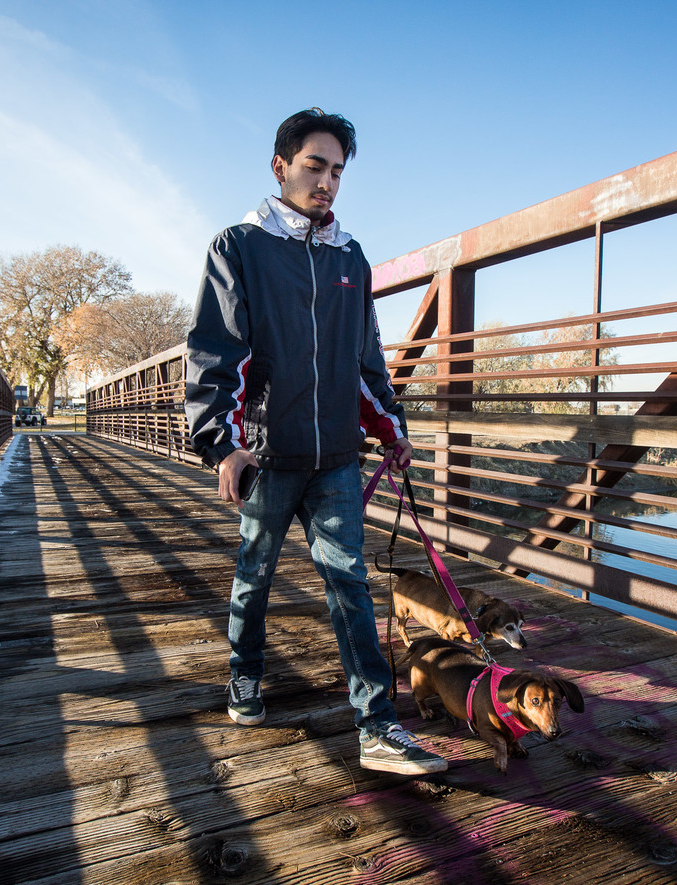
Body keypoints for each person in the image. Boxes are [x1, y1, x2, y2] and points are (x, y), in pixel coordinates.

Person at [185, 108, 446, 776]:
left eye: (336, 171)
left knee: (349, 584)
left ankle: (378, 726)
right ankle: (244, 677)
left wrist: (391, 427)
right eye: (314, 166)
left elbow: (365, 360)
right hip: (268, 458)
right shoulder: (238, 246)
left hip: (334, 460)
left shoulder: (349, 256)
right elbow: (219, 352)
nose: (326, 182)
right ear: (281, 166)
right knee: (254, 576)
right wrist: (226, 443)